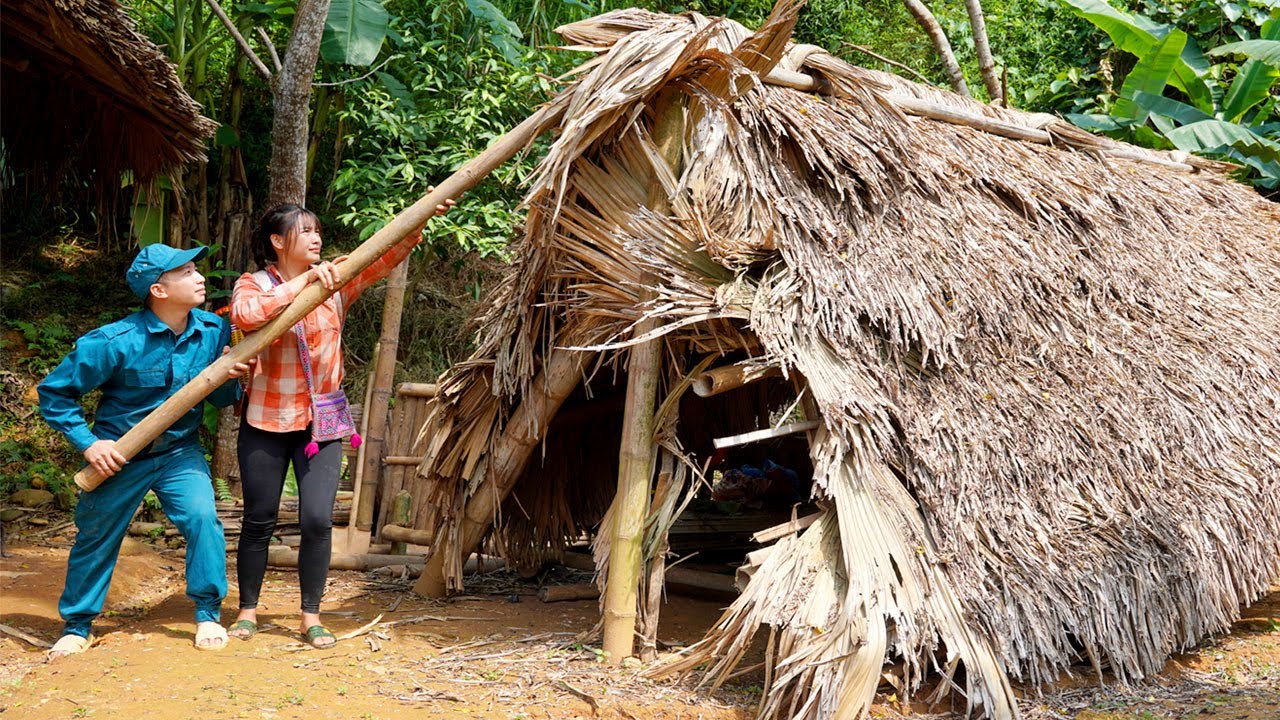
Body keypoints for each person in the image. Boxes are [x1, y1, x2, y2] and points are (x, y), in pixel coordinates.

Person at [229, 199, 452, 648]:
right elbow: (246, 315)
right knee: (259, 517)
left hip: (322, 422)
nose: (317, 238)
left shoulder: (336, 280)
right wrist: (305, 282)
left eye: (318, 231)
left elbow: (384, 255)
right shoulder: (254, 283)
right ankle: (247, 611)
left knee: (316, 519)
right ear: (278, 241)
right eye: (306, 231)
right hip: (266, 418)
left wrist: (423, 216)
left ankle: (310, 616)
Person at [38, 243, 251, 659]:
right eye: (186, 272)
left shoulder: (213, 331)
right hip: (119, 456)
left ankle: (208, 613)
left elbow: (221, 399)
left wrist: (231, 377)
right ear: (158, 290)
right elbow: (55, 393)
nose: (200, 278)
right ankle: (77, 626)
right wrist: (89, 443)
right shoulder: (114, 341)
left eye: (196, 269)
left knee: (202, 518)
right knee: (97, 536)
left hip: (179, 452)